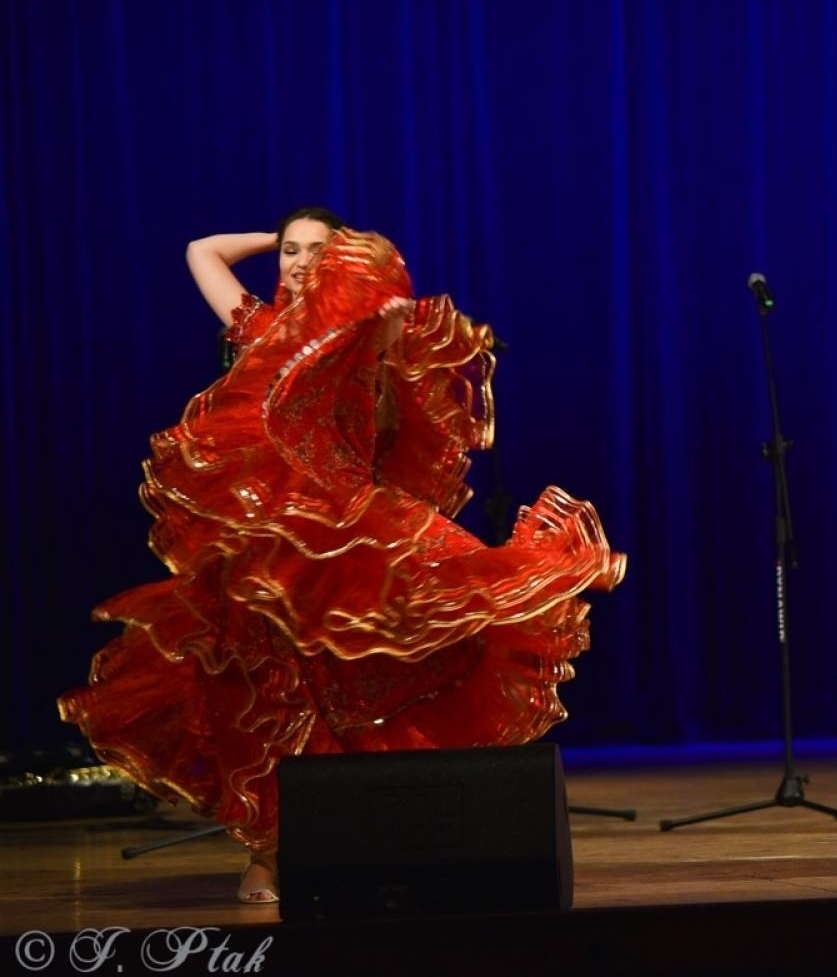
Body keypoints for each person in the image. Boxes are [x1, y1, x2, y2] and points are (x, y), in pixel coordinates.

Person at [59, 208, 625, 902]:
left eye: (315, 253)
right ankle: (267, 854)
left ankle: (404, 833)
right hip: (271, 542)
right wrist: (285, 236)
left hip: (353, 527)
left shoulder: (369, 331)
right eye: (289, 254)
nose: (297, 264)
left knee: (431, 637)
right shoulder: (260, 328)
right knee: (274, 693)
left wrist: (339, 263)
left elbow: (392, 317)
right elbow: (200, 249)